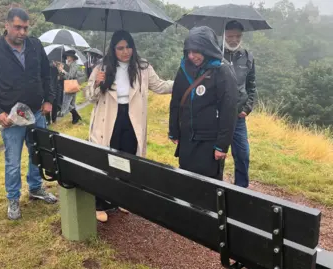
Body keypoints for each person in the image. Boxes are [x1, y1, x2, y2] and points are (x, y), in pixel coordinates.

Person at [86, 30, 174, 223]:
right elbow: (89, 97)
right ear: (113, 49)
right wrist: (97, 83)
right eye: (120, 48)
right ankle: (99, 203)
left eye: (128, 47)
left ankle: (122, 198)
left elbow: (159, 86)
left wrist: (182, 84)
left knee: (128, 158)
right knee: (106, 158)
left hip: (131, 118)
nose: (125, 51)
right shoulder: (102, 67)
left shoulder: (142, 67)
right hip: (109, 117)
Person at [0, 8, 58, 221]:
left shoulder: (35, 46)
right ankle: (13, 198)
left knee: (38, 154)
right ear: (6, 25)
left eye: (25, 27)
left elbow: (46, 74)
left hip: (36, 112)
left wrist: (49, 99)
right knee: (12, 161)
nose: (22, 32)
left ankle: (35, 188)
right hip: (11, 118)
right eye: (17, 27)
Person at [168, 26, 238, 181]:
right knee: (186, 179)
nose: (192, 56)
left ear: (207, 48)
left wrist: (222, 145)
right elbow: (176, 101)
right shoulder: (183, 70)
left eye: (196, 51)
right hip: (187, 137)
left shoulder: (222, 71)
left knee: (208, 183)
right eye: (189, 51)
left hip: (209, 140)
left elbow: (229, 109)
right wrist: (173, 130)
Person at [223, 21, 257, 188]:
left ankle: (241, 189)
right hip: (218, 115)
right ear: (223, 35)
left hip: (238, 116)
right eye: (230, 36)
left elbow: (251, 85)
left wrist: (247, 108)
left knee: (243, 154)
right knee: (217, 153)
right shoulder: (215, 54)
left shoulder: (248, 56)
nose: (234, 39)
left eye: (237, 36)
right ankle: (215, 185)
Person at [58, 50, 85, 124]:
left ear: (72, 58)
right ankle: (75, 118)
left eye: (68, 56)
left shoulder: (74, 65)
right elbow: (67, 76)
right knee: (72, 104)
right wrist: (61, 70)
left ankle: (76, 116)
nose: (67, 58)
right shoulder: (71, 64)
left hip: (71, 85)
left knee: (66, 103)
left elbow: (70, 76)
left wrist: (63, 70)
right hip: (72, 85)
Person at [45, 60, 61, 125]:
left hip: (48, 88)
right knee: (54, 105)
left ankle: (48, 121)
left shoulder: (45, 67)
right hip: (55, 88)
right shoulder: (54, 68)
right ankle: (54, 121)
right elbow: (58, 78)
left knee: (47, 103)